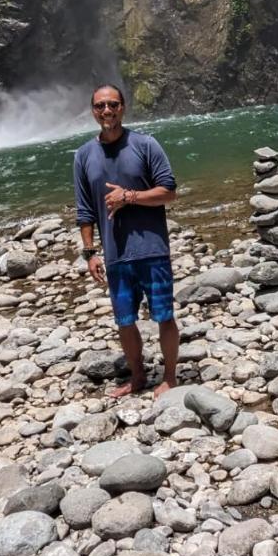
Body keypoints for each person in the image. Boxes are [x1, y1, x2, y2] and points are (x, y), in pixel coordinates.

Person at [74, 84, 181, 397]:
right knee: (124, 320)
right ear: (93, 111)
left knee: (164, 315)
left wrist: (129, 197)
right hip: (115, 253)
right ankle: (137, 377)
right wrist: (90, 253)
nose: (107, 111)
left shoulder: (146, 145)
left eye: (113, 104)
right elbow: (84, 209)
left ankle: (170, 377)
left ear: (123, 107)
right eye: (100, 106)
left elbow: (169, 191)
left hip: (152, 249)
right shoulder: (83, 155)